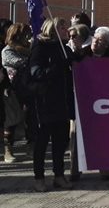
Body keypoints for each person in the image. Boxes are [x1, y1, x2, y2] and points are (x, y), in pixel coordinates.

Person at [27, 18, 75, 192]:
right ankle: (39, 178)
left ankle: (59, 175)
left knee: (60, 142)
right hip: (44, 102)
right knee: (41, 142)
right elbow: (36, 72)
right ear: (53, 29)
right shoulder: (40, 47)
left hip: (62, 101)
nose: (66, 29)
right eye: (62, 27)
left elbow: (75, 63)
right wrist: (56, 67)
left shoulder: (64, 48)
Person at [2, 22, 30, 164]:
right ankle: (8, 150)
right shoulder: (8, 51)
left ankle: (31, 147)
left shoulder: (28, 49)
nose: (27, 37)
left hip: (27, 88)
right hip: (11, 89)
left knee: (31, 117)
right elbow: (20, 62)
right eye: (24, 34)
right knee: (10, 121)